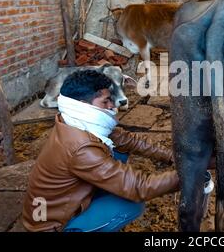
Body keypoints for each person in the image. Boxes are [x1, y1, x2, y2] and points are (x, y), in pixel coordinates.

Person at [22, 70, 179, 232]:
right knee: (131, 204)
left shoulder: (75, 121)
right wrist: (190, 173)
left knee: (118, 149)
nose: (112, 106)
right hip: (50, 225)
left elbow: (129, 140)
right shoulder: (81, 147)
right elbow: (139, 188)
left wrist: (173, 157)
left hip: (53, 206)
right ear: (83, 104)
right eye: (105, 102)